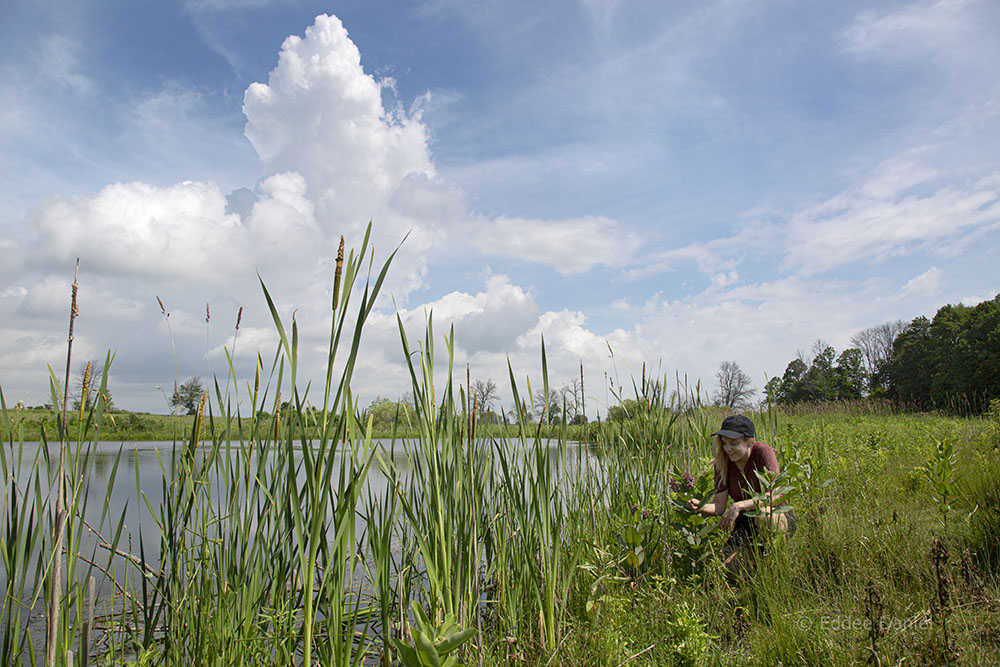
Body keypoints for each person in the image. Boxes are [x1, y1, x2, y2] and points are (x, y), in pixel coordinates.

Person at [685, 415, 795, 569]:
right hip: (745, 523)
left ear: (749, 441)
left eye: (734, 443)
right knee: (729, 568)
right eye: (724, 443)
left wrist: (739, 506)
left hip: (775, 515)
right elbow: (719, 506)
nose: (727, 448)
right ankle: (756, 566)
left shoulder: (763, 452)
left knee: (764, 517)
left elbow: (775, 495)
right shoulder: (722, 463)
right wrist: (700, 506)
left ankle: (778, 566)